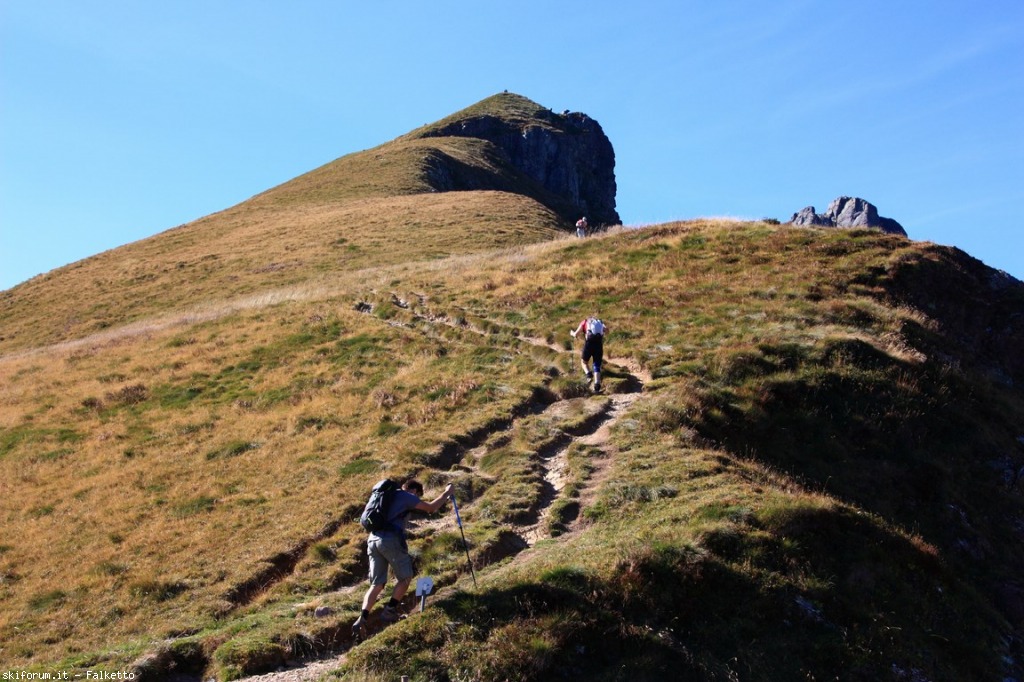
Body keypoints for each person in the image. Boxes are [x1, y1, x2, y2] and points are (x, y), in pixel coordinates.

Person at [352, 479, 454, 636]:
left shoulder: (384, 496)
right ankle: (389, 611)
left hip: (372, 540)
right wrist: (447, 493)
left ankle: (362, 618)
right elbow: (431, 508)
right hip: (390, 540)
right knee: (406, 578)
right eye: (418, 495)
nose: (417, 498)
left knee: (376, 584)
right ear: (413, 491)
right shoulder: (407, 496)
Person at [570, 314, 608, 391]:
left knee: (584, 362)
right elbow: (607, 330)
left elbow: (576, 334)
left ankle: (588, 374)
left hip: (588, 344)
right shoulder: (600, 322)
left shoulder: (585, 322)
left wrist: (572, 333)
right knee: (597, 365)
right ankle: (597, 385)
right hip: (598, 345)